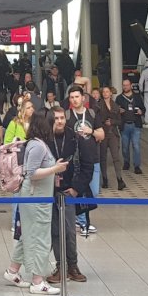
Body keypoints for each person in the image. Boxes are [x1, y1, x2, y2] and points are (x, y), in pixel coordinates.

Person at [2, 108, 65, 295]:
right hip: (36, 200)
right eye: (54, 120)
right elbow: (32, 173)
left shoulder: (36, 143)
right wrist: (55, 169)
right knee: (40, 238)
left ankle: (12, 271)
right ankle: (37, 281)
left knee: (28, 235)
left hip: (34, 198)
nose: (57, 123)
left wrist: (53, 170)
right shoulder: (38, 146)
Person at [48, 108, 85, 283]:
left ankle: (73, 265)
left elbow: (86, 163)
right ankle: (60, 266)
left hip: (69, 190)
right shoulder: (44, 139)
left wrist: (77, 188)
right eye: (56, 118)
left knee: (70, 231)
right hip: (49, 192)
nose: (60, 121)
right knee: (55, 231)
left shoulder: (74, 138)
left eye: (62, 118)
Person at [115, 78, 145, 176]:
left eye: (127, 85)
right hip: (124, 125)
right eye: (124, 85)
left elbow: (143, 108)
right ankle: (126, 162)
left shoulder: (137, 97)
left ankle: (137, 166)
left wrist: (141, 111)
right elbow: (115, 110)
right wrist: (119, 111)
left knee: (136, 146)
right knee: (125, 146)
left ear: (131, 85)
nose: (125, 87)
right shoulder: (119, 98)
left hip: (135, 124)